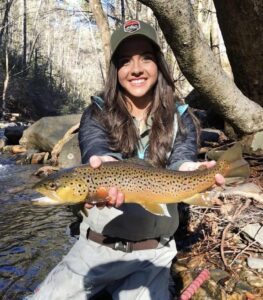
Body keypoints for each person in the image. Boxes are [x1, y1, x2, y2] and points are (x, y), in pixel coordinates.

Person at [26, 20, 224, 300]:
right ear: (115, 70)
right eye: (125, 60)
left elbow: (182, 160)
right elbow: (96, 147)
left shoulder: (181, 118)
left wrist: (191, 170)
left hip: (153, 257)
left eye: (146, 57)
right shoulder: (96, 114)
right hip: (93, 251)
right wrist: (103, 160)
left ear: (159, 64)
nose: (136, 69)